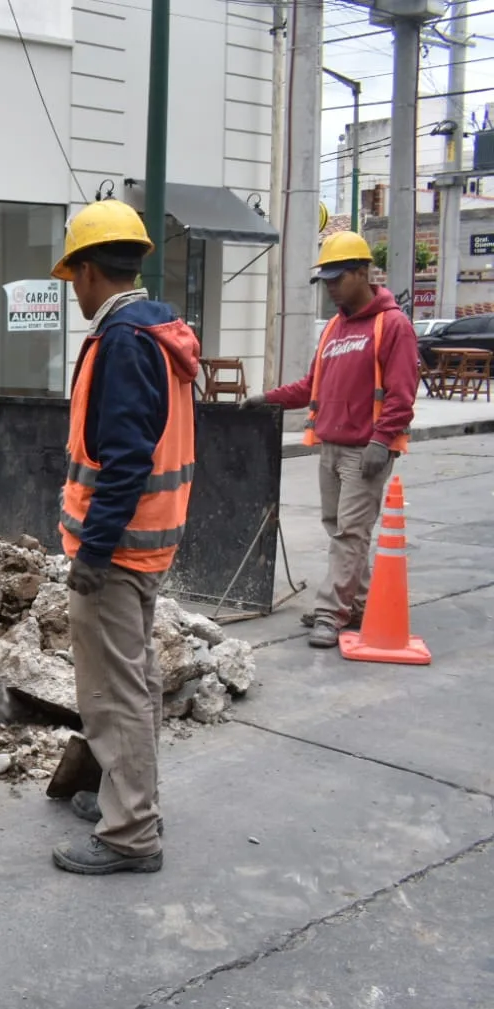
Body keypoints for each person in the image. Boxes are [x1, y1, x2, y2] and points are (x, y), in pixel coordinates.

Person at [50, 200, 200, 876]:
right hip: (144, 544)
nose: (71, 292)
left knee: (113, 694)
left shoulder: (122, 342)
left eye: (70, 277)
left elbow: (125, 459)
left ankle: (129, 832)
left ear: (86, 270)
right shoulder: (155, 333)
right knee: (131, 681)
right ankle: (123, 798)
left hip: (117, 551)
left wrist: (93, 553)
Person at [241, 231, 416, 649]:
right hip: (331, 447)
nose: (332, 287)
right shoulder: (336, 327)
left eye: (339, 278)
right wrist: (270, 399)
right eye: (328, 280)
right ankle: (354, 605)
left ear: (362, 272)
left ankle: (330, 613)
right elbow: (311, 386)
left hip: (365, 451)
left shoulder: (391, 325)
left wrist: (382, 441)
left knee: (350, 534)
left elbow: (402, 393)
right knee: (341, 530)